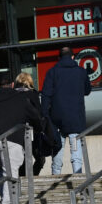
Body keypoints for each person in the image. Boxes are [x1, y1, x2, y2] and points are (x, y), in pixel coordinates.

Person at [0, 74, 47, 204]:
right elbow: (35, 117)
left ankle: (4, 200)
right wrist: (39, 128)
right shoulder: (21, 99)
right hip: (13, 139)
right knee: (10, 172)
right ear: (13, 85)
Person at [42, 47, 91, 176]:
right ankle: (78, 174)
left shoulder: (52, 72)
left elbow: (46, 95)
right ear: (73, 57)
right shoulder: (81, 72)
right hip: (76, 116)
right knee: (75, 146)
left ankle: (56, 174)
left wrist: (44, 115)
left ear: (59, 57)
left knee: (58, 145)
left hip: (57, 117)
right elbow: (87, 90)